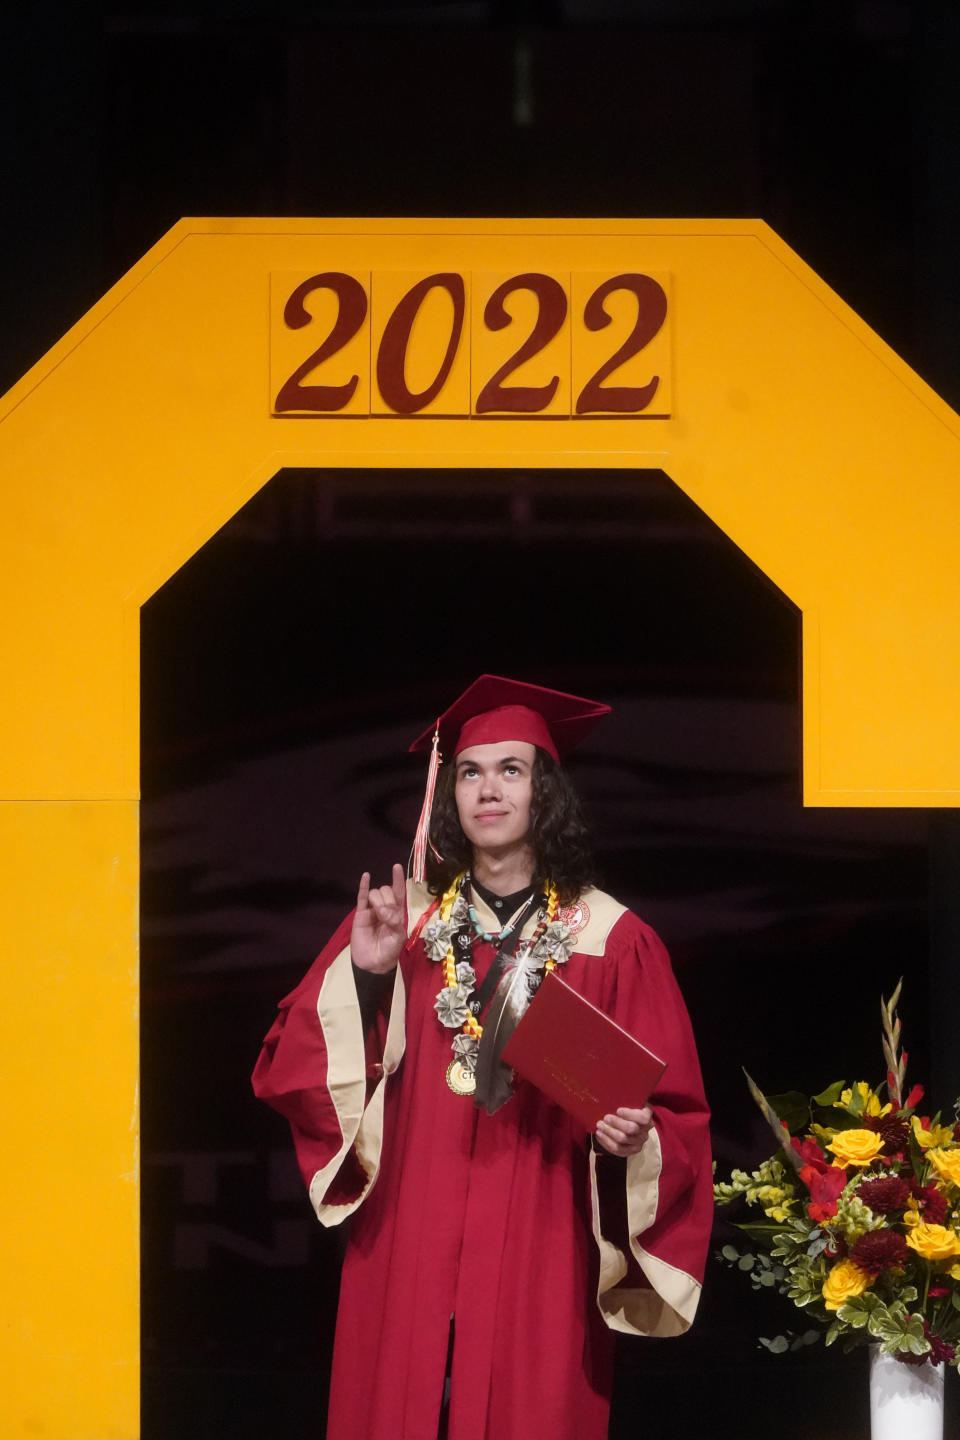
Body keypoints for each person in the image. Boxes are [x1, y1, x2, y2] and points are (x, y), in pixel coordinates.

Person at [252, 676, 712, 1440]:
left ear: (546, 793)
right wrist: (369, 977)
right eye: (469, 771)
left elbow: (676, 1114)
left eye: (510, 770)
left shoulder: (613, 941)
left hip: (543, 1241)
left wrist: (636, 1142)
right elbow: (292, 1069)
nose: (487, 790)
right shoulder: (398, 923)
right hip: (408, 1233)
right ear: (449, 791)